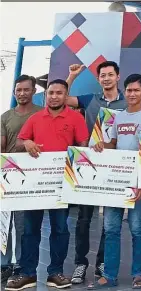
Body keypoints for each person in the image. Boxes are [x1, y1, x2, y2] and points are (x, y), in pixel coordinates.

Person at [5, 79, 88, 291]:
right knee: (30, 230)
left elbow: (82, 145)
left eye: (59, 93)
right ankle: (27, 273)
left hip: (61, 184)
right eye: (50, 92)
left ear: (65, 95)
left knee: (60, 229)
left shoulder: (76, 118)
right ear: (46, 95)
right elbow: (22, 140)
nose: (53, 96)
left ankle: (55, 273)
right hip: (35, 185)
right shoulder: (34, 118)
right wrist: (28, 143)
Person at [87, 74, 141, 290]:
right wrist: (102, 146)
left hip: (138, 181)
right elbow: (113, 143)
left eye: (136, 90)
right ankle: (110, 276)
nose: (132, 94)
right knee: (111, 228)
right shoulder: (118, 117)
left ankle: (138, 274)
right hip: (115, 181)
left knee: (137, 228)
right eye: (129, 90)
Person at [66, 62, 128, 284]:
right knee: (84, 219)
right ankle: (80, 264)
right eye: (103, 75)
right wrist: (71, 76)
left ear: (118, 77)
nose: (107, 78)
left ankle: (102, 262)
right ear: (99, 78)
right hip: (88, 164)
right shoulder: (89, 99)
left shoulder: (128, 101)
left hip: (114, 166)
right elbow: (61, 98)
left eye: (111, 74)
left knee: (109, 220)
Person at [1, 75, 42, 281]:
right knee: (3, 224)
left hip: (31, 177)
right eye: (19, 89)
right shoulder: (6, 117)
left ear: (34, 91)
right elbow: (2, 146)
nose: (22, 93)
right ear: (14, 91)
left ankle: (20, 264)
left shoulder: (42, 114)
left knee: (23, 225)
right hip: (8, 177)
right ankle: (3, 264)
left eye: (26, 89)